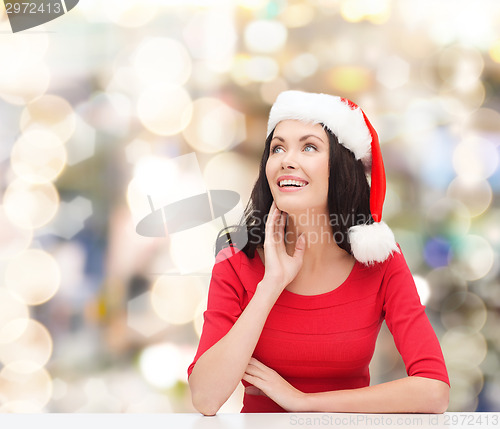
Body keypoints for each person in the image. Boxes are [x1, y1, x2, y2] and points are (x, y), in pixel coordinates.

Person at [187, 90, 450, 415]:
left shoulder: (380, 261)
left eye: (309, 146)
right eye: (277, 147)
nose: (286, 160)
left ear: (341, 168)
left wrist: (305, 402)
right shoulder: (236, 259)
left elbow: (433, 391)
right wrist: (270, 285)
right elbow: (205, 398)